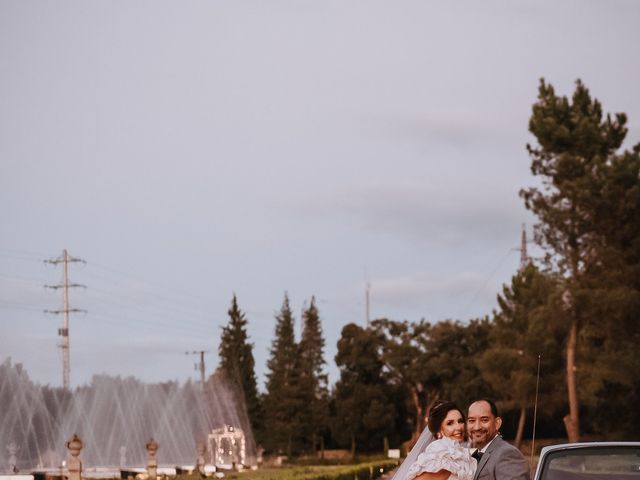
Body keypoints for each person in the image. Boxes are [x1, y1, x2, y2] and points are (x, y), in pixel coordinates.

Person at [399, 401, 476, 480]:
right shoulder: (440, 455)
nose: (459, 427)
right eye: (450, 423)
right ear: (439, 430)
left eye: (460, 421)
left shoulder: (462, 454)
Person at [466, 399, 530, 480]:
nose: (477, 427)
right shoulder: (473, 456)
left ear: (497, 423)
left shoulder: (507, 454)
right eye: (471, 421)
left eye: (484, 420)